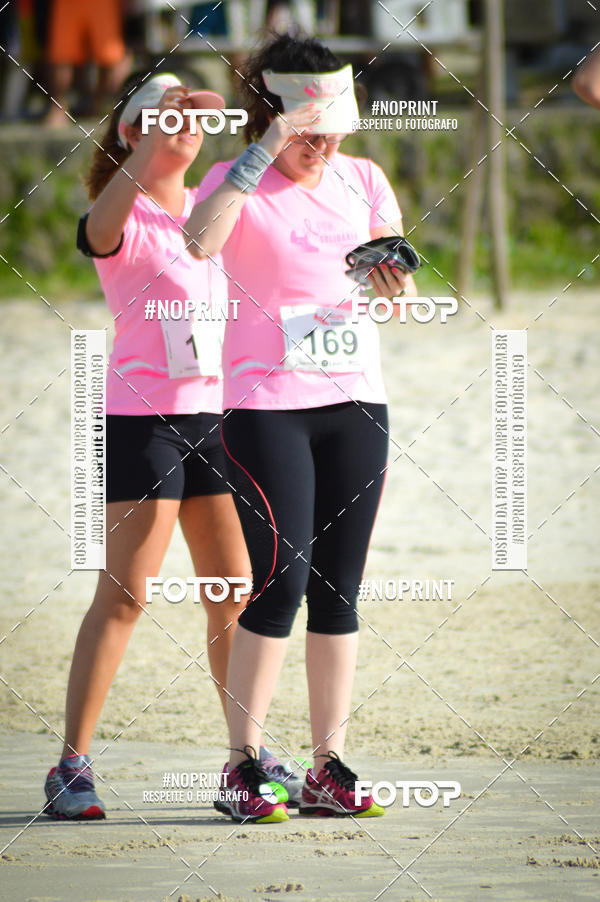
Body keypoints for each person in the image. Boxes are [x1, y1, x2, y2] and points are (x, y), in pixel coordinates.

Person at [43, 72, 297, 820]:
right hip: (141, 423)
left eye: (193, 113)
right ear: (130, 130)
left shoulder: (218, 209)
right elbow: (94, 230)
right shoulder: (122, 213)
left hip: (217, 422)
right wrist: (152, 132)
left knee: (232, 593)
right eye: (164, 113)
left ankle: (243, 761)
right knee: (125, 596)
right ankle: (71, 765)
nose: (184, 123)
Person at [186, 33, 417, 823]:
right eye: (308, 129)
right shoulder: (233, 178)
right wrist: (265, 150)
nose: (323, 145)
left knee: (337, 589)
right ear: (274, 113)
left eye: (333, 129)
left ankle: (327, 765)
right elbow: (199, 241)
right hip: (263, 408)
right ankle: (242, 765)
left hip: (355, 402)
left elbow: (393, 298)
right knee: (281, 578)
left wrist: (395, 283)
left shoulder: (364, 178)